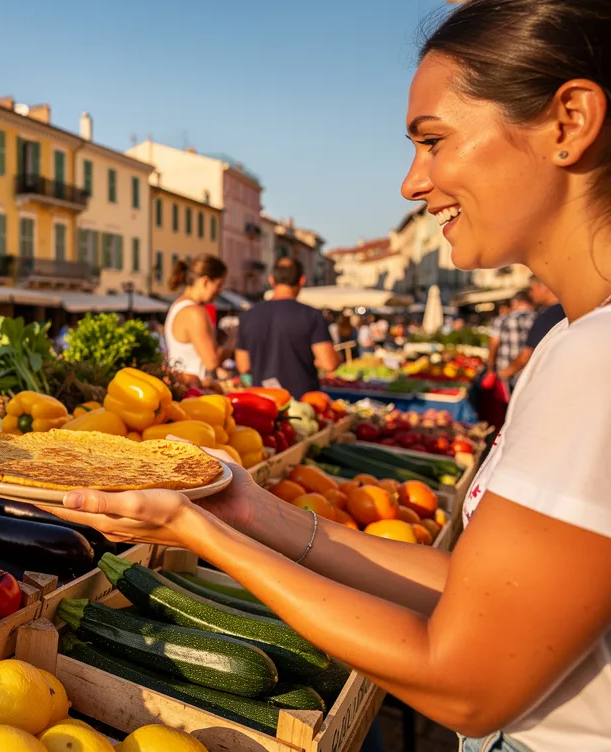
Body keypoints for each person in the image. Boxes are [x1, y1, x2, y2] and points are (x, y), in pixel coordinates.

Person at [49, 3, 611, 748]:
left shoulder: (595, 359)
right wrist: (253, 512)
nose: (413, 182)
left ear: (570, 121)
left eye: (434, 141)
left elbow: (465, 684)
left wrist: (191, 528)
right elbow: (477, 593)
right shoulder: (576, 341)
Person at [235, 257, 340, 397]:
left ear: (271, 280)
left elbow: (243, 366)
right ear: (302, 280)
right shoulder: (311, 316)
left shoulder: (248, 316)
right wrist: (338, 358)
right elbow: (329, 364)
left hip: (263, 401)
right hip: (302, 400)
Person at [163, 255, 229, 380]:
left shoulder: (178, 305)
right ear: (205, 281)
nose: (219, 291)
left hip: (183, 383)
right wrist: (232, 342)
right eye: (219, 285)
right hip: (194, 386)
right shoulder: (194, 312)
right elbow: (211, 362)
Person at [505, 277, 564, 379]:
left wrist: (504, 373)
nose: (530, 294)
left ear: (545, 286)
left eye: (532, 289)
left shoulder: (546, 317)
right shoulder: (567, 309)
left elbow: (526, 356)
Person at [490, 291, 535, 382]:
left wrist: (490, 369)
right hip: (531, 371)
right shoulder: (538, 318)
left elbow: (493, 344)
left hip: (506, 370)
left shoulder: (502, 320)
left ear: (516, 302)